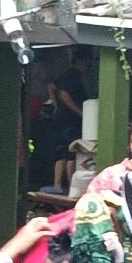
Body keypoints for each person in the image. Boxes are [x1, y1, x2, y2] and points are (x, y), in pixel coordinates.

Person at [43, 48, 92, 195]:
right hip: (69, 120)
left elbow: (51, 87)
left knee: (63, 152)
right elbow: (64, 94)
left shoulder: (66, 74)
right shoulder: (73, 75)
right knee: (71, 151)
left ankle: (60, 185)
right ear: (81, 62)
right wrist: (79, 111)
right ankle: (70, 186)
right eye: (87, 63)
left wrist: (56, 106)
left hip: (63, 118)